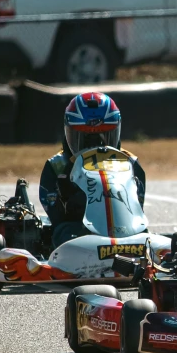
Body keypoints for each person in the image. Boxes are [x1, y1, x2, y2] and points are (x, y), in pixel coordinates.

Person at [38, 92, 146, 247]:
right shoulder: (56, 166)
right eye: (85, 139)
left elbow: (137, 210)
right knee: (64, 234)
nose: (95, 146)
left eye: (103, 138)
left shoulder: (130, 163)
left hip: (127, 231)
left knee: (146, 237)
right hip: (77, 232)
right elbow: (57, 217)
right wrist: (69, 196)